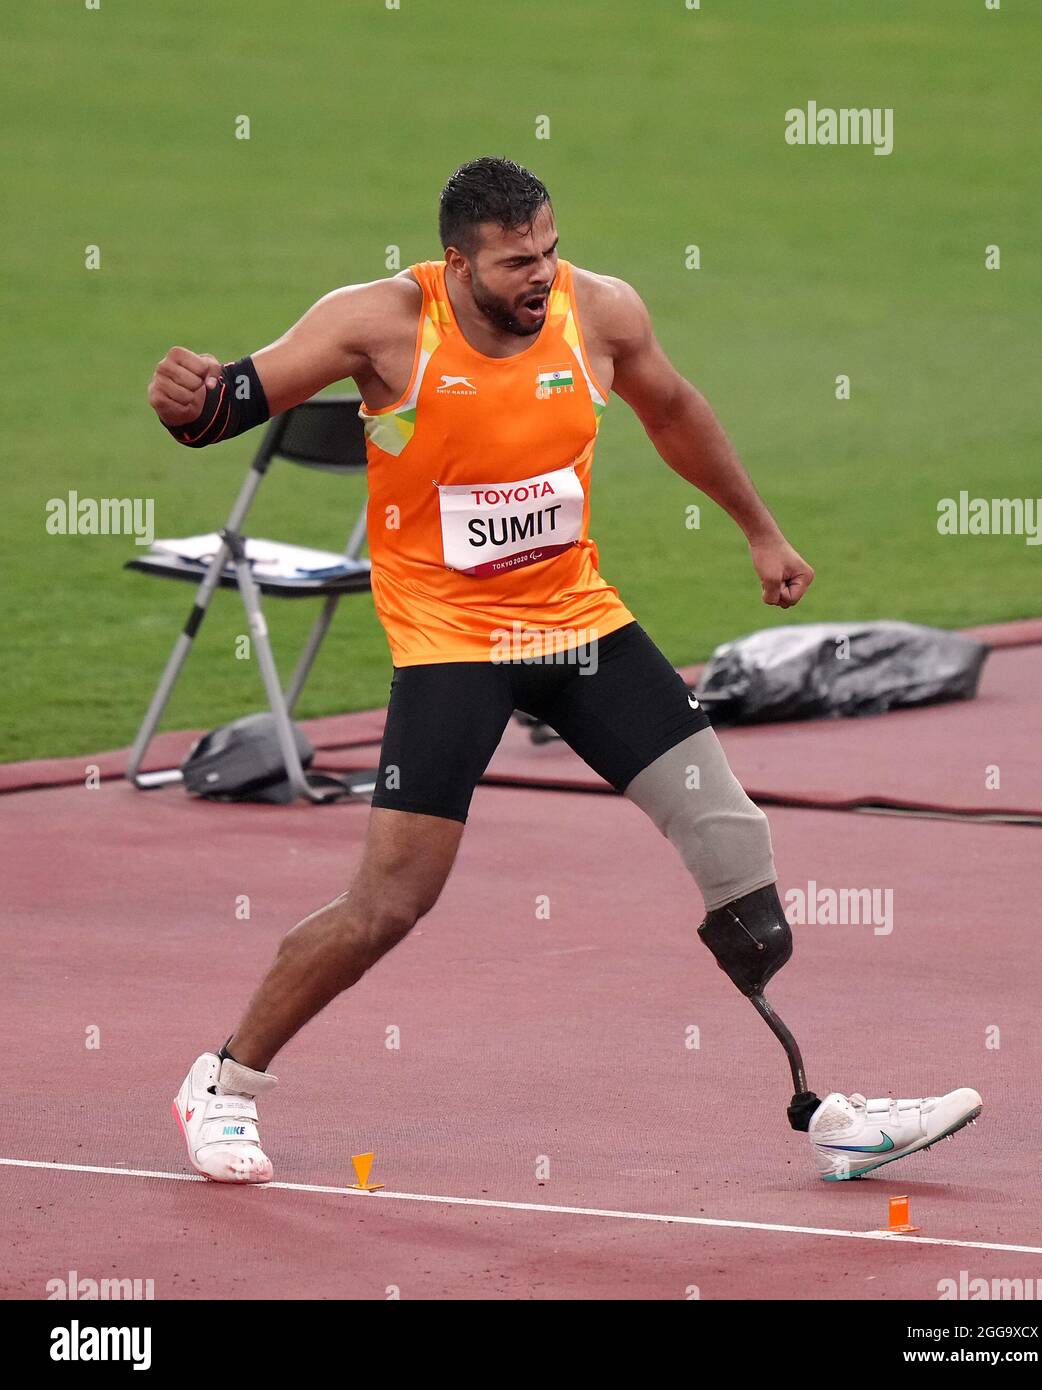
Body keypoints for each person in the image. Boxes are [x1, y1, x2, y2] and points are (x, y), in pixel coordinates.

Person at [149, 156, 981, 1186]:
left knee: (734, 839)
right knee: (391, 900)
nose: (540, 274)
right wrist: (187, 401)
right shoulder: (380, 323)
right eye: (513, 262)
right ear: (456, 262)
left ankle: (830, 1106)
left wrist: (760, 534)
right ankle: (223, 1082)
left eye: (548, 248)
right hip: (454, 642)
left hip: (576, 626)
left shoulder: (601, 312)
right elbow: (226, 403)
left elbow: (673, 411)